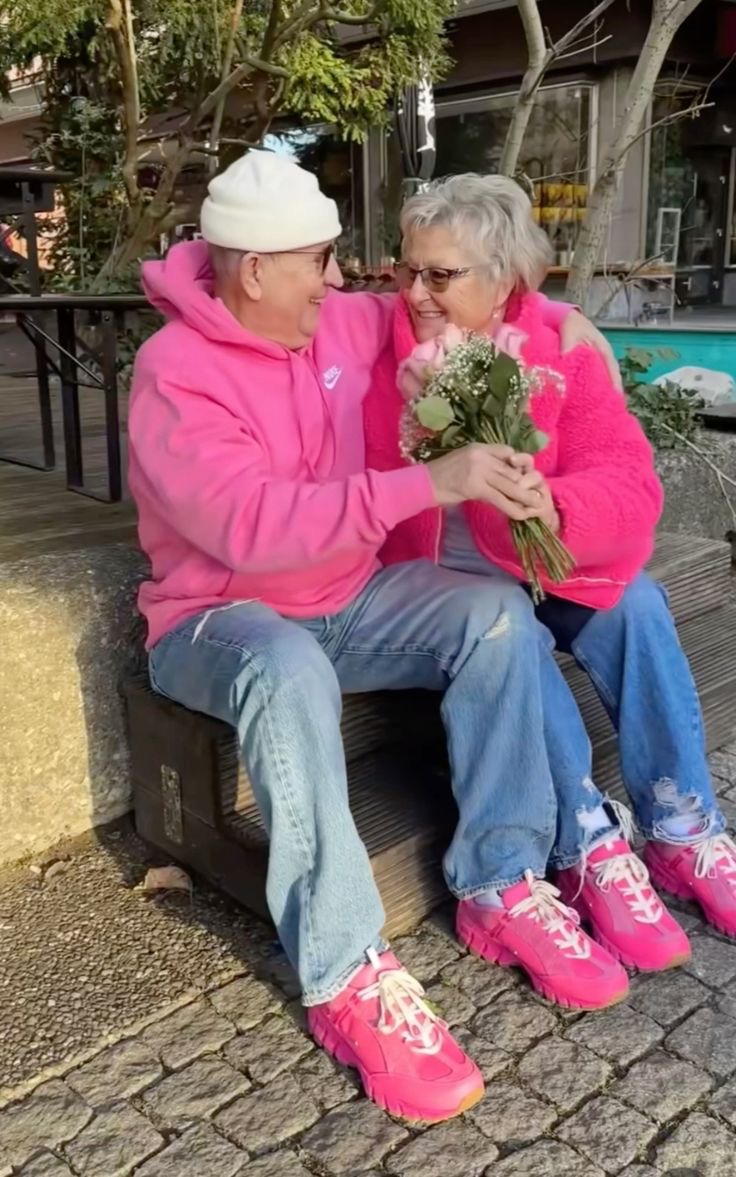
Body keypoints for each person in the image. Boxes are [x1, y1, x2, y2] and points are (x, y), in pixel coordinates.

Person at [128, 151, 629, 1123]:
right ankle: (344, 971)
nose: (341, 277)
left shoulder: (338, 320)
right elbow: (250, 529)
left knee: (493, 612)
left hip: (349, 597)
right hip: (215, 619)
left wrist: (564, 324)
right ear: (255, 270)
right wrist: (429, 483)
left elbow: (455, 306)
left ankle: (500, 881)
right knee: (286, 668)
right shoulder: (173, 373)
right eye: (320, 259)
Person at [364, 173, 736, 976]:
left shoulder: (556, 350)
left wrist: (555, 505)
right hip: (442, 589)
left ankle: (682, 829)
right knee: (509, 623)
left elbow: (631, 484)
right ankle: (589, 845)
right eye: (407, 269)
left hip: (546, 562)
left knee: (636, 602)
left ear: (503, 278)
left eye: (440, 274)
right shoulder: (374, 337)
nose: (416, 292)